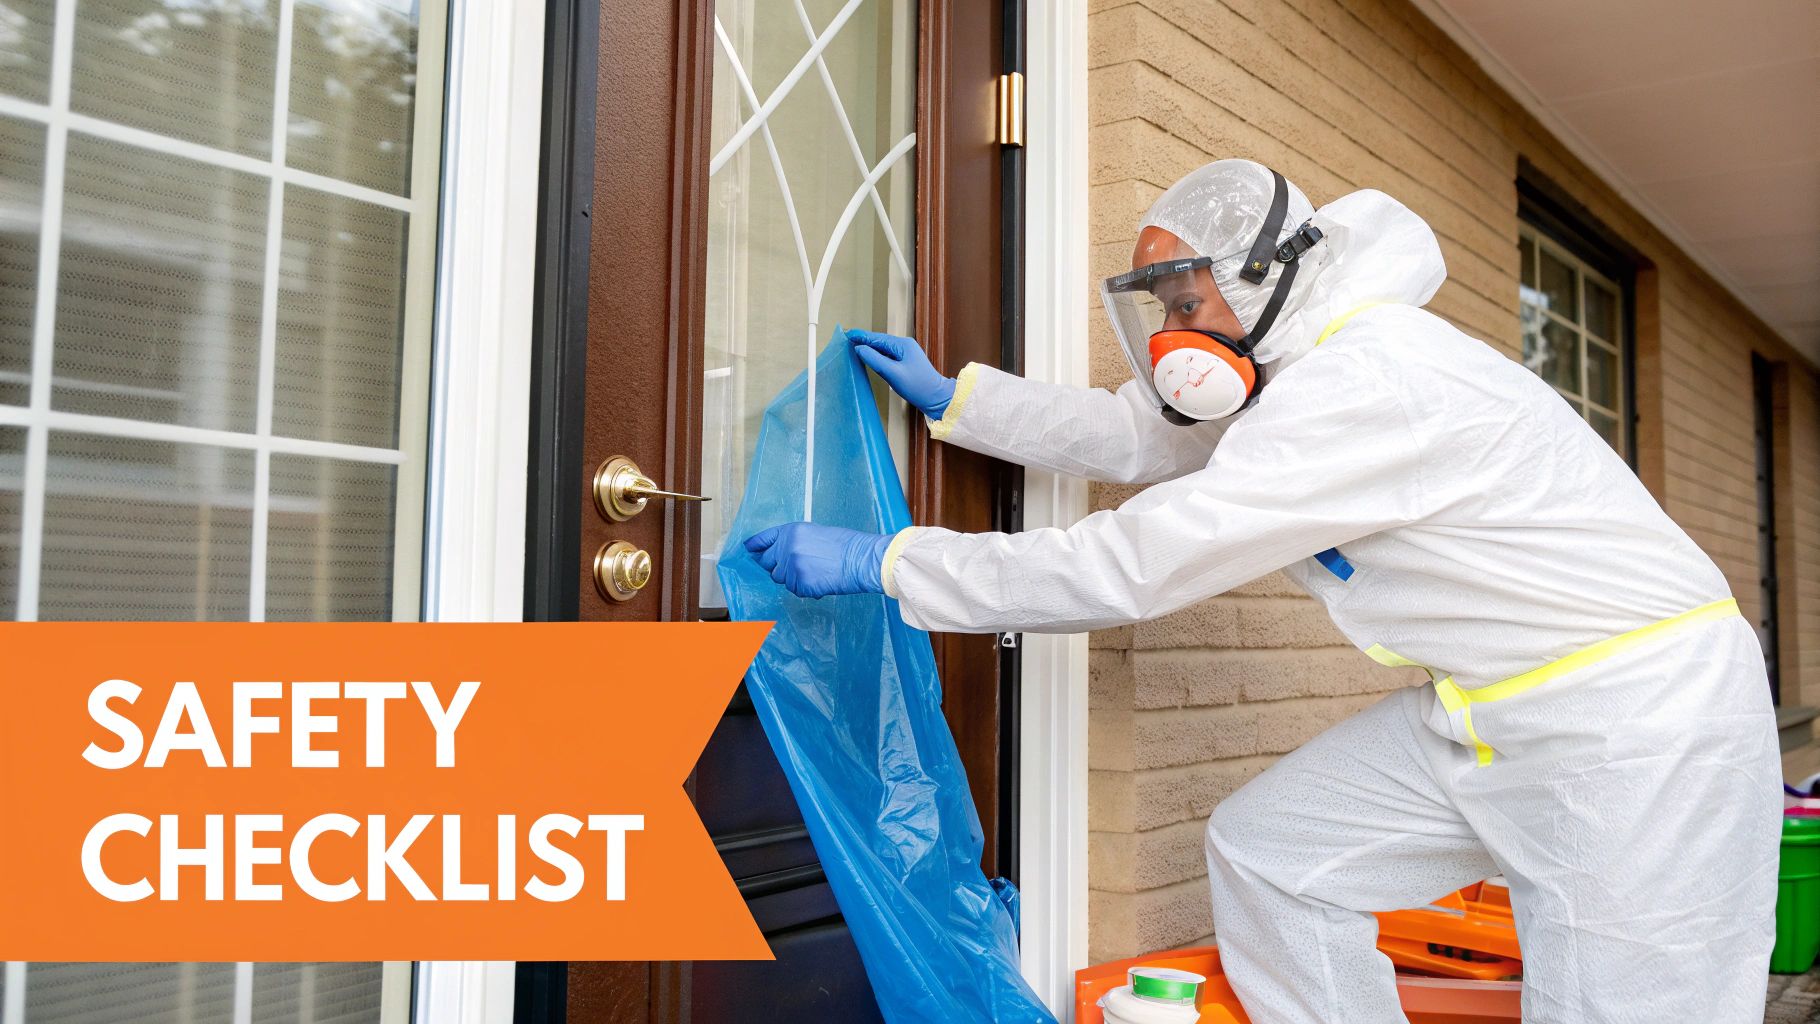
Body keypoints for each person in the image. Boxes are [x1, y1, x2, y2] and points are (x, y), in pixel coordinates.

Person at [743, 159, 1780, 1024]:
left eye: (1185, 302)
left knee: (1624, 1003)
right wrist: (965, 401)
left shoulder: (1365, 382)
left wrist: (886, 562)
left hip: (1638, 724)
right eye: (1158, 307)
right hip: (1487, 708)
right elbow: (1146, 432)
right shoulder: (1292, 367)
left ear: (1265, 277)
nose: (1168, 335)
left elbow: (1132, 563)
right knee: (1274, 855)